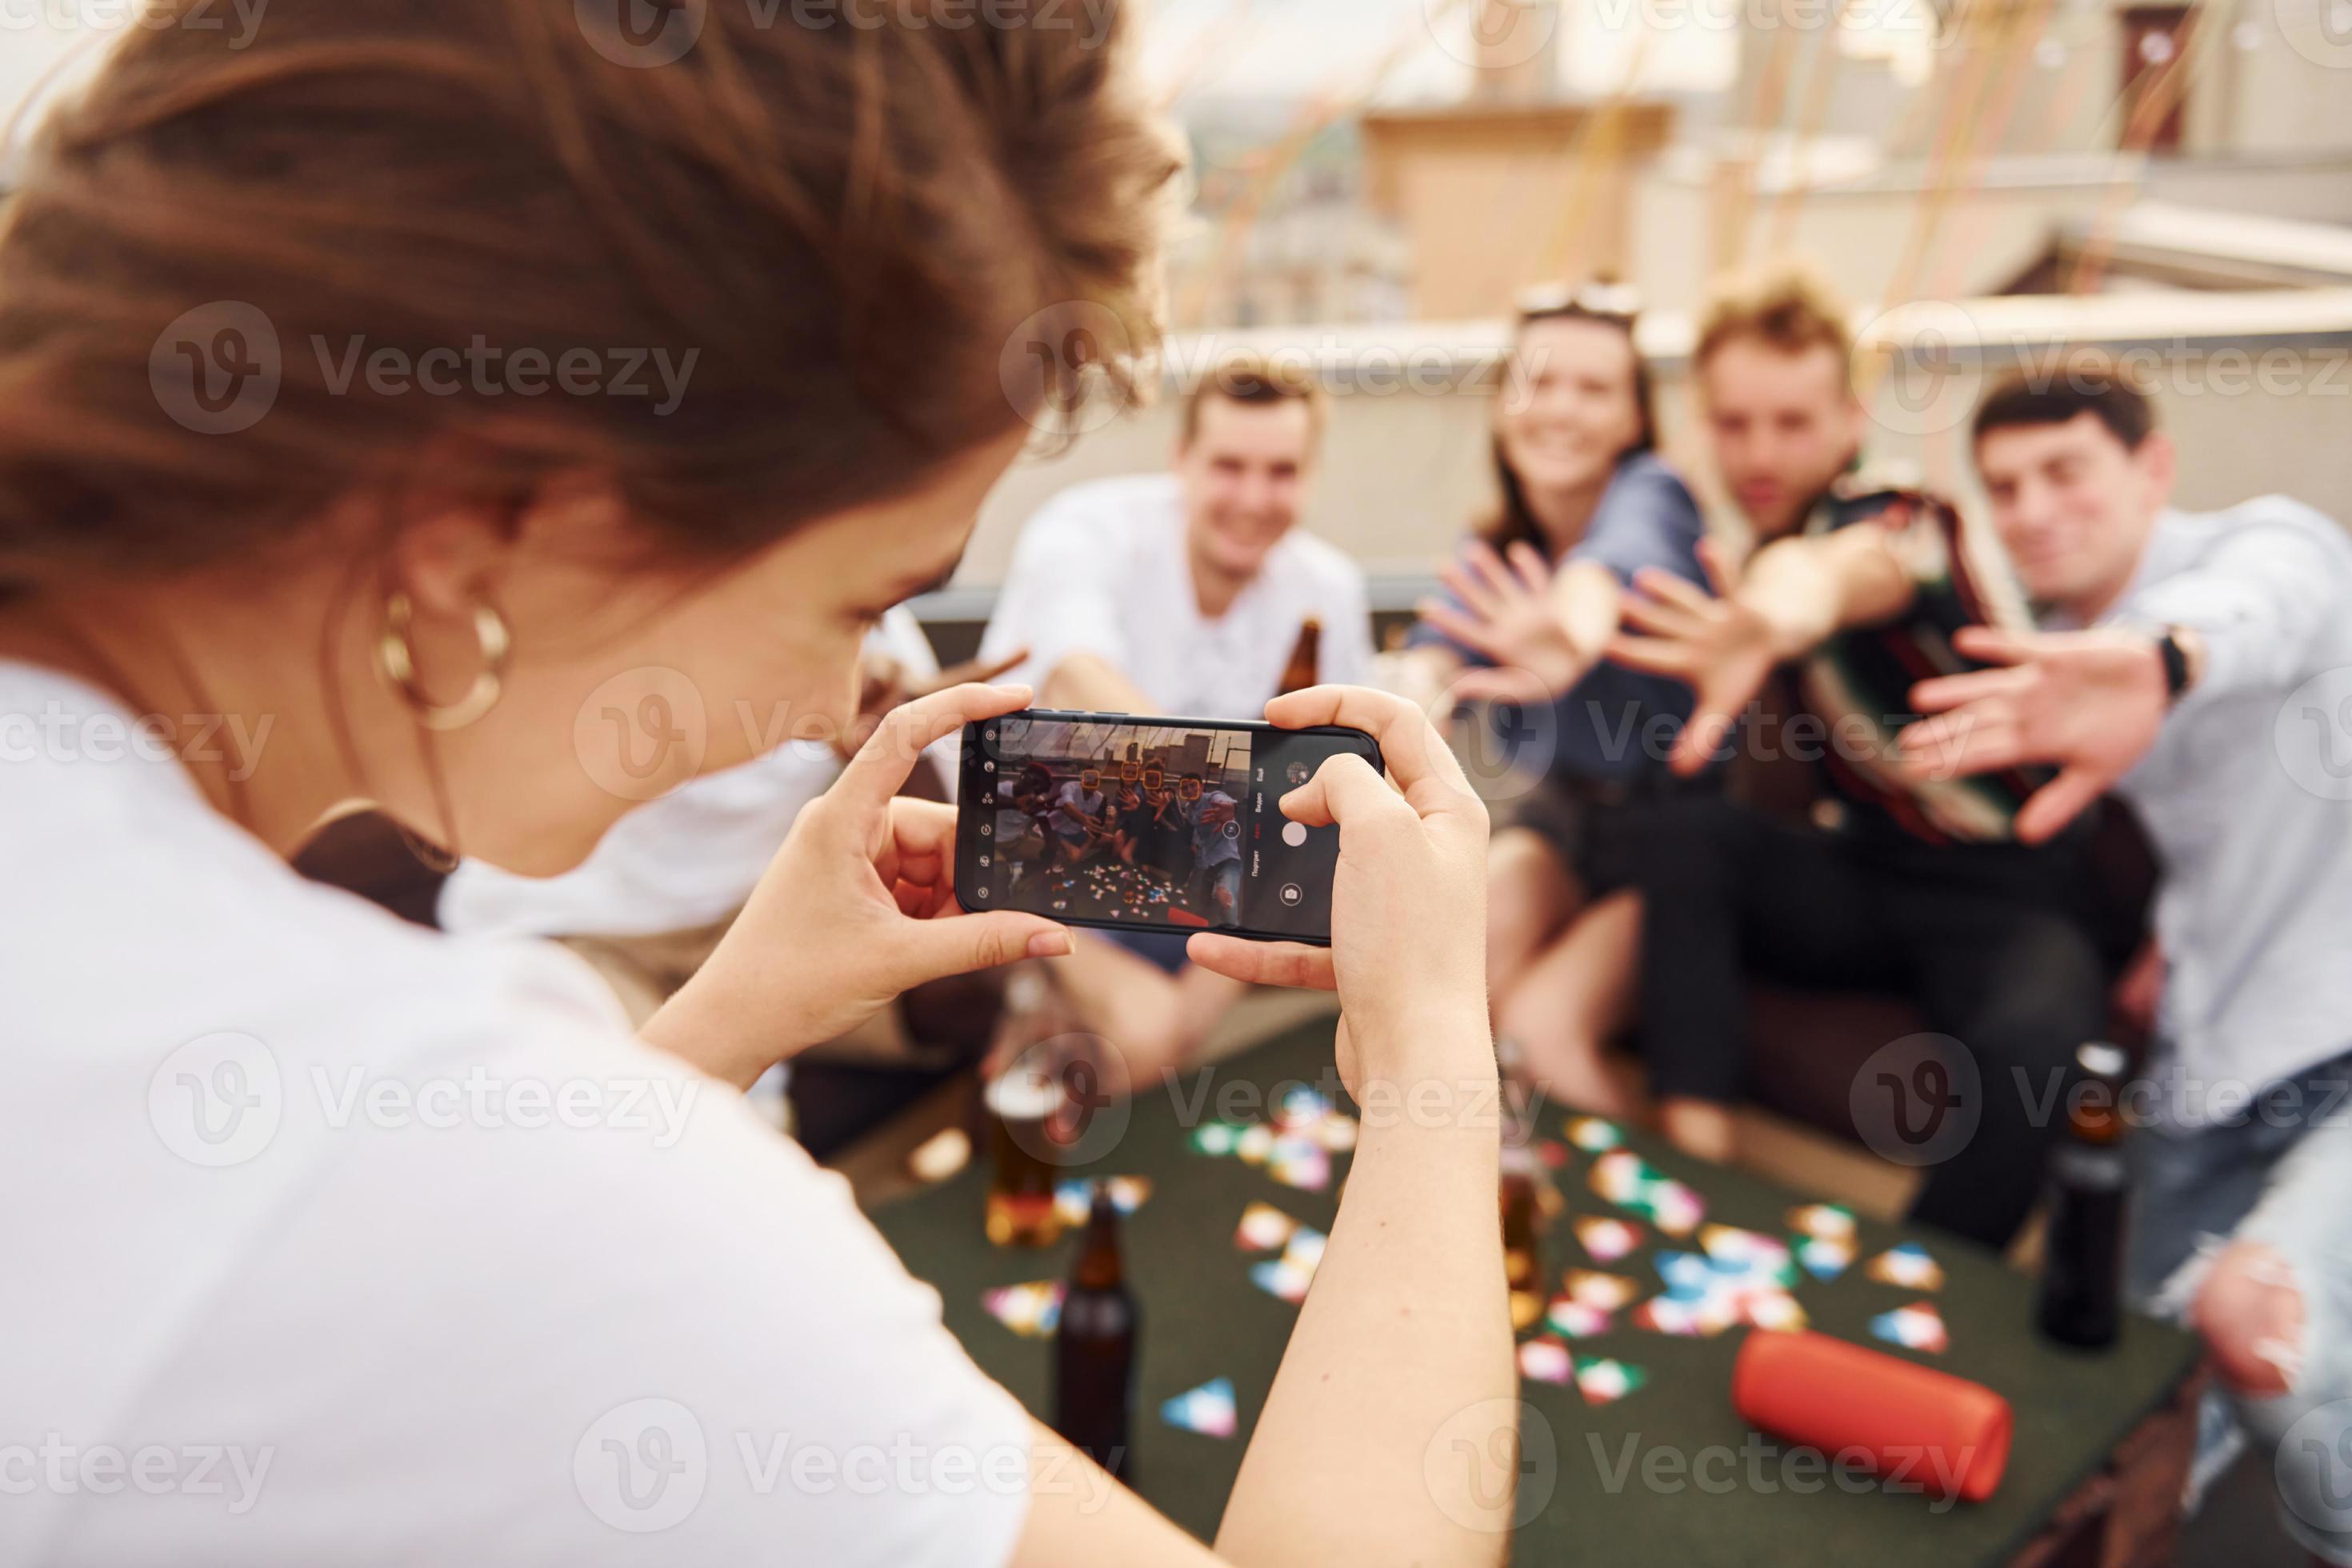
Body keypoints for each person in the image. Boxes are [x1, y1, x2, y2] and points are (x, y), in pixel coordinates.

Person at [0, 5, 1517, 1562]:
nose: (837, 696)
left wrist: (730, 1014)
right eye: (856, 594)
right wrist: (1430, 1057)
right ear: (507, 525)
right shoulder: (475, 1154)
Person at [1897, 368, 2352, 1559]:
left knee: (2257, 1326)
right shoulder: (2054, 652)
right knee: (2120, 1405)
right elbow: (2221, 819)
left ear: (2152, 470)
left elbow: (2273, 607)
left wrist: (2163, 659)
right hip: (2209, 1061)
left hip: (2338, 1049)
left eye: (2066, 472)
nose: (2034, 509)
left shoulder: (2263, 551)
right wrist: (2168, 938)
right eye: (2004, 487)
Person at [1608, 268, 2114, 1250]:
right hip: (1874, 866)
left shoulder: (1899, 514)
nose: (1760, 453)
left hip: (2012, 884)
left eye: (1792, 422)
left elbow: (1836, 576)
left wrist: (1767, 613)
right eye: (1735, 422)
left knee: (2039, 1052)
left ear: (1849, 420)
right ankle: (1699, 1180)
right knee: (1684, 835)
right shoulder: (1743, 543)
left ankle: (1917, 1291)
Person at [978, 360, 1376, 1074]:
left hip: (1197, 876)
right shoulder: (1088, 527)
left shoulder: (1329, 588)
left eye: (1282, 471)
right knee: (1148, 1033)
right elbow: (1076, 674)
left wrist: (1213, 983)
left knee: (1173, 1035)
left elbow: (1331, 788)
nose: (1254, 498)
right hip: (1024, 853)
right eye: (1229, 465)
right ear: (1180, 460)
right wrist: (1236, 792)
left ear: (1311, 476)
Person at [1393, 283, 1708, 1114]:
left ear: (1634, 419)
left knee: (1539, 1034)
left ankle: (1650, 1219)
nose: (1561, 408)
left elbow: (1600, 576)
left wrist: (1568, 638)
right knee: (1450, 979)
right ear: (1503, 406)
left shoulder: (1654, 494)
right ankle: (1490, 1209)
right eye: (1539, 381)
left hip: (1674, 845)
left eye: (1594, 388)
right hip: (1559, 828)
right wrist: (1410, 698)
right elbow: (1430, 662)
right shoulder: (1498, 544)